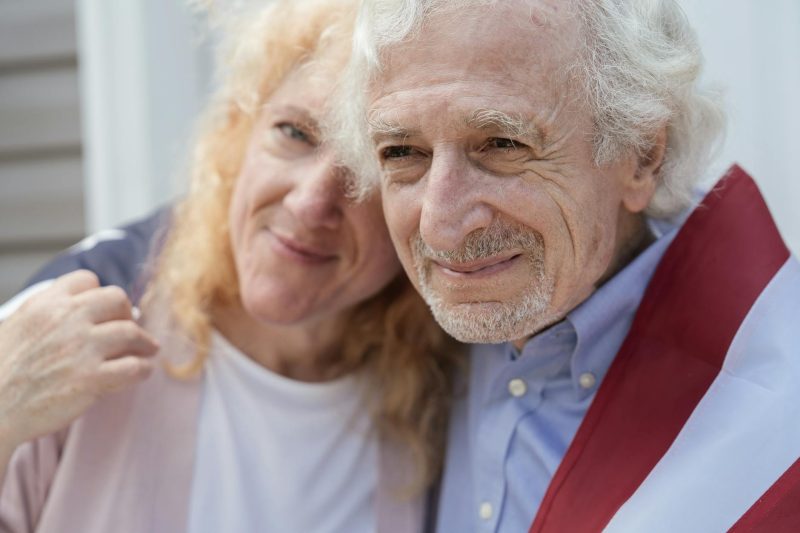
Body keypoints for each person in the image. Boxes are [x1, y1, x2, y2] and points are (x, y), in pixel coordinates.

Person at [333, 0, 800, 531]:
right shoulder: (388, 335)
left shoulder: (782, 426)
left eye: (502, 144)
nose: (440, 227)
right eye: (401, 153)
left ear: (643, 154)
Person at [0, 1, 458, 531]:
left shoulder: (451, 376)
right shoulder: (90, 307)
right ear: (241, 132)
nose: (310, 203)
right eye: (295, 133)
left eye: (370, 168)